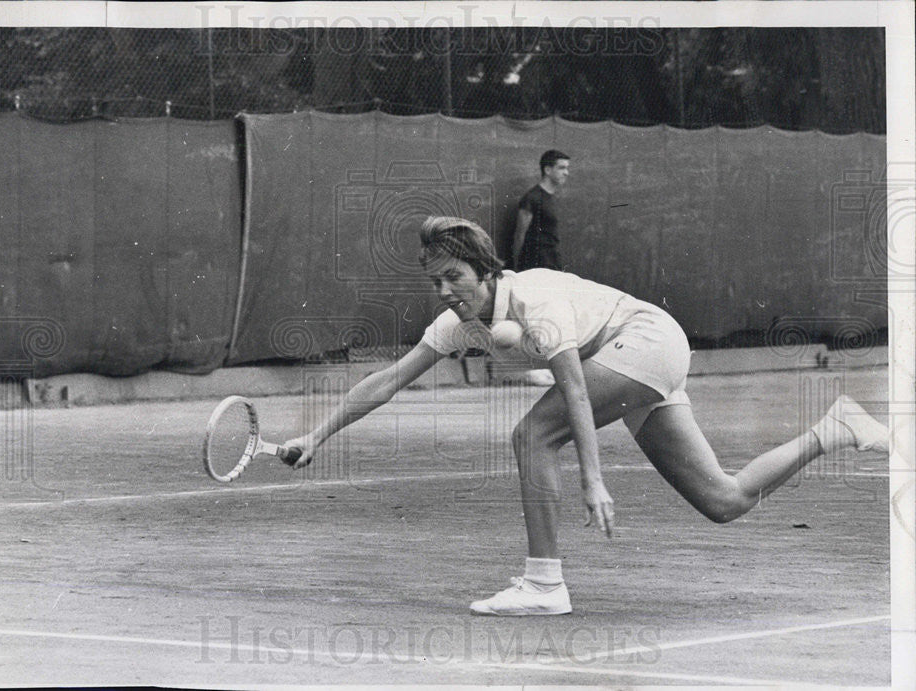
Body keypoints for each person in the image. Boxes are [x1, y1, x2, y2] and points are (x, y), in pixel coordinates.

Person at [282, 216, 889, 617]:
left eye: (454, 277)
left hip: (646, 341)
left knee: (532, 435)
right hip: (630, 357)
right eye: (436, 280)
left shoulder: (537, 302)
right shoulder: (457, 323)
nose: (444, 289)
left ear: (487, 272)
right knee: (722, 500)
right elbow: (388, 379)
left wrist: (592, 477)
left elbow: (573, 391)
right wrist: (316, 434)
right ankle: (836, 428)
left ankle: (544, 584)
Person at [511, 149, 570, 272]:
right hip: (535, 266)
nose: (566, 173)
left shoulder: (552, 197)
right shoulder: (532, 198)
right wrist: (516, 268)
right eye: (561, 168)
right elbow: (519, 235)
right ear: (547, 170)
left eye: (567, 168)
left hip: (552, 263)